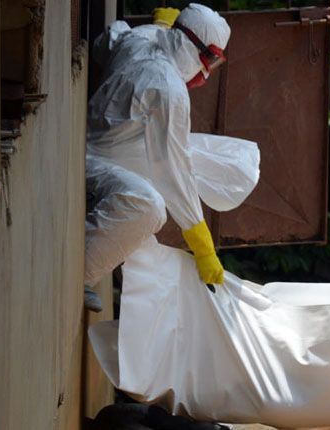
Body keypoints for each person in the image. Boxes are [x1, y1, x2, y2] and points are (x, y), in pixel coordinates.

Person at [83, 3, 231, 311]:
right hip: (94, 161)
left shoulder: (140, 38)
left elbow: (103, 43)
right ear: (191, 46)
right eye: (209, 59)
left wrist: (159, 29)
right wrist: (202, 244)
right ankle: (80, 271)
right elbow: (174, 173)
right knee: (151, 208)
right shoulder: (168, 88)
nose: (206, 71)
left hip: (102, 147)